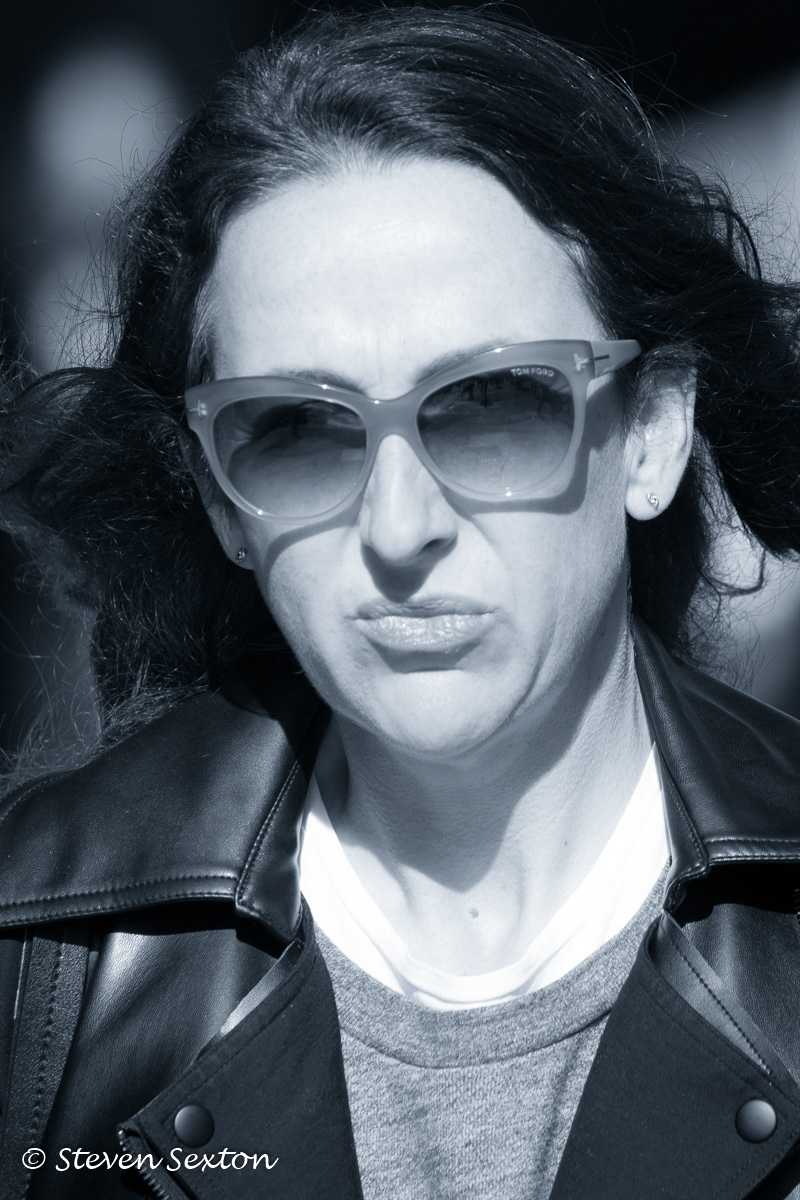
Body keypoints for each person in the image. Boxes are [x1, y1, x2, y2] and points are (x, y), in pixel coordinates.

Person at [1, 7, 800, 1199]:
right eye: (298, 431)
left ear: (649, 430)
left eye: (489, 406)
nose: (398, 526)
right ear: (217, 496)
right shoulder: (34, 960)